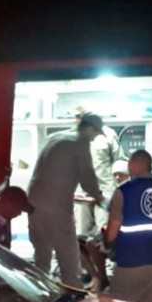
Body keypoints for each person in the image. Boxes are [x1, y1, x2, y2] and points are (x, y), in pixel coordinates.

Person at [27, 112, 106, 288]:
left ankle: (40, 294)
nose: (94, 138)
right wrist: (102, 199)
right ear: (89, 128)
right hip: (56, 209)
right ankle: (72, 299)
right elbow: (88, 181)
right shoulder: (80, 143)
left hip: (32, 204)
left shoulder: (54, 137)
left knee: (42, 257)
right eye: (95, 134)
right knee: (69, 259)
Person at [105, 149, 152, 302]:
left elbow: (112, 232)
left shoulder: (123, 191)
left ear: (132, 165)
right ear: (150, 167)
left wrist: (106, 243)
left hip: (130, 263)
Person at [79, 159, 130, 292]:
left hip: (120, 237)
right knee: (77, 242)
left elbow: (118, 216)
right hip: (111, 231)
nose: (118, 177)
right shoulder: (119, 191)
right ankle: (98, 277)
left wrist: (108, 232)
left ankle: (101, 278)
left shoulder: (126, 191)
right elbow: (109, 206)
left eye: (121, 174)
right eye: (116, 175)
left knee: (93, 243)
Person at [73, 108, 124, 240]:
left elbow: (119, 160)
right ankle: (83, 260)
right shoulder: (73, 137)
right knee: (81, 233)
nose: (76, 120)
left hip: (104, 191)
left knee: (103, 231)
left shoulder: (109, 134)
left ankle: (103, 260)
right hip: (81, 192)